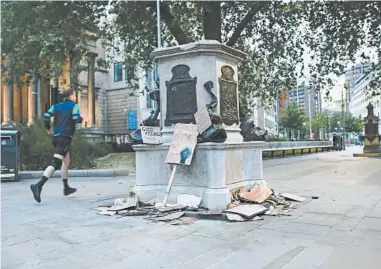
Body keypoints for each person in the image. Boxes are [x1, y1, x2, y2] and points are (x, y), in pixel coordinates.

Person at [30, 88, 83, 203]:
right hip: (65, 137)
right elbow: (75, 117)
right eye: (75, 95)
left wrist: (48, 128)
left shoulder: (56, 106)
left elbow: (46, 116)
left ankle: (66, 188)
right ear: (71, 95)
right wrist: (80, 119)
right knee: (56, 162)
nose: (75, 97)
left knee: (66, 161)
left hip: (56, 137)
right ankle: (38, 186)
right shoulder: (74, 105)